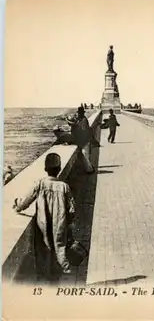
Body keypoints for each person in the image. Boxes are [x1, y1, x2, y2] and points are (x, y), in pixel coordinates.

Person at [12, 153, 76, 282]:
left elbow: (26, 201)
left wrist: (17, 205)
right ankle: (58, 273)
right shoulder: (64, 187)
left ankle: (44, 276)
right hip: (60, 223)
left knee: (43, 248)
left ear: (46, 169)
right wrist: (68, 221)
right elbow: (72, 209)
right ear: (59, 170)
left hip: (42, 224)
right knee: (59, 246)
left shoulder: (40, 184)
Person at [66, 107, 95, 173]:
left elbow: (82, 129)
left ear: (81, 113)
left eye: (79, 113)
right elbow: (74, 125)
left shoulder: (84, 120)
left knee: (85, 155)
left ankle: (90, 170)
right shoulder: (80, 119)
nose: (78, 114)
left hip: (85, 141)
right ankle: (89, 169)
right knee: (84, 155)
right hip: (82, 141)